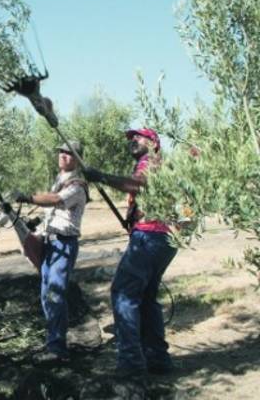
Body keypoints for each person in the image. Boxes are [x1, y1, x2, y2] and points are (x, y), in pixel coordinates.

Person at [83, 128, 177, 378]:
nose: (133, 140)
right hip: (159, 238)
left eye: (139, 137)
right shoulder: (153, 164)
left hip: (150, 237)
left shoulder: (152, 162)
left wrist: (101, 176)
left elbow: (139, 184)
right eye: (130, 138)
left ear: (154, 142)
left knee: (123, 292)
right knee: (146, 299)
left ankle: (131, 363)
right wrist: (132, 218)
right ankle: (157, 358)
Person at [10, 140, 88, 362]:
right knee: (47, 294)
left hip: (64, 244)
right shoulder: (59, 180)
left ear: (77, 158)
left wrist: (27, 197)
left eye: (69, 153)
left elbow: (55, 201)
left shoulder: (77, 185)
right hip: (50, 243)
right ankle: (54, 342)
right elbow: (53, 212)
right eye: (61, 152)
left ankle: (57, 348)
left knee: (54, 292)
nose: (63, 155)